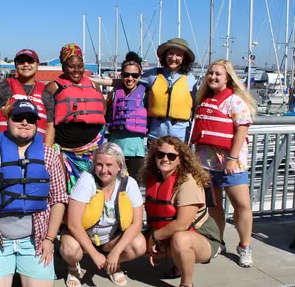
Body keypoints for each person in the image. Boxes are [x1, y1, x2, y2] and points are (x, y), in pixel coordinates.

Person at [0, 99, 68, 287]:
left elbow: (58, 200)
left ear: (37, 124)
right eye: (18, 118)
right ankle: (9, 268)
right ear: (8, 120)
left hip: (35, 240)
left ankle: (23, 270)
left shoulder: (49, 155)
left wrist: (49, 239)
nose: (24, 122)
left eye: (30, 119)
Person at [190, 59, 257, 268]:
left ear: (227, 77)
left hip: (231, 165)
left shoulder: (235, 101)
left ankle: (245, 246)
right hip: (206, 164)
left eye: (218, 74)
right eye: (210, 73)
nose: (213, 77)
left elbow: (242, 128)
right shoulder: (204, 100)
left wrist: (232, 157)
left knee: (242, 206)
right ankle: (218, 242)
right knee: (214, 206)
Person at [141, 136, 221, 287]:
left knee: (180, 239)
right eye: (160, 154)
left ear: (180, 160)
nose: (165, 159)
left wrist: (153, 238)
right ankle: (112, 268)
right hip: (169, 234)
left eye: (171, 156)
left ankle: (187, 286)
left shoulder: (188, 181)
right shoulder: (154, 179)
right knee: (135, 243)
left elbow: (182, 224)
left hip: (202, 236)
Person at [59, 142, 145, 287]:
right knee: (69, 248)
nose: (103, 170)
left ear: (119, 166)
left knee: (139, 245)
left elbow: (137, 223)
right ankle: (73, 267)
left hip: (111, 239)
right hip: (83, 236)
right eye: (99, 164)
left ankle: (114, 264)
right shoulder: (87, 180)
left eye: (109, 165)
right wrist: (93, 254)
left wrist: (116, 252)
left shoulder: (129, 183)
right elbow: (73, 223)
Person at [91, 38, 197, 142]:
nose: (174, 58)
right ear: (165, 55)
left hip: (180, 135)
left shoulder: (190, 79)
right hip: (156, 134)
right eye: (171, 53)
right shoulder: (152, 75)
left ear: (184, 58)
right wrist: (93, 80)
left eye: (179, 55)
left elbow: (196, 105)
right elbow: (128, 80)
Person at [44, 43, 106, 192]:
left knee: (93, 191)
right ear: (63, 67)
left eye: (80, 66)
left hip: (92, 150)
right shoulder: (53, 87)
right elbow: (44, 116)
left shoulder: (92, 85)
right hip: (66, 152)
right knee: (64, 191)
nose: (76, 70)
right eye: (71, 66)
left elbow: (102, 108)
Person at [0, 49, 54, 145]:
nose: (26, 64)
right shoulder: (1, 88)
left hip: (37, 151)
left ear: (37, 65)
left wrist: (47, 150)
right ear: (16, 65)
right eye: (21, 62)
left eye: (30, 61)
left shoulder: (46, 93)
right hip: (5, 147)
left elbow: (50, 125)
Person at [106, 51, 148, 181]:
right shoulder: (113, 95)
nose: (130, 78)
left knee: (133, 188)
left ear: (140, 76)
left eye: (134, 75)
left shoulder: (146, 95)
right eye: (126, 74)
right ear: (121, 75)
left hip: (136, 153)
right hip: (114, 151)